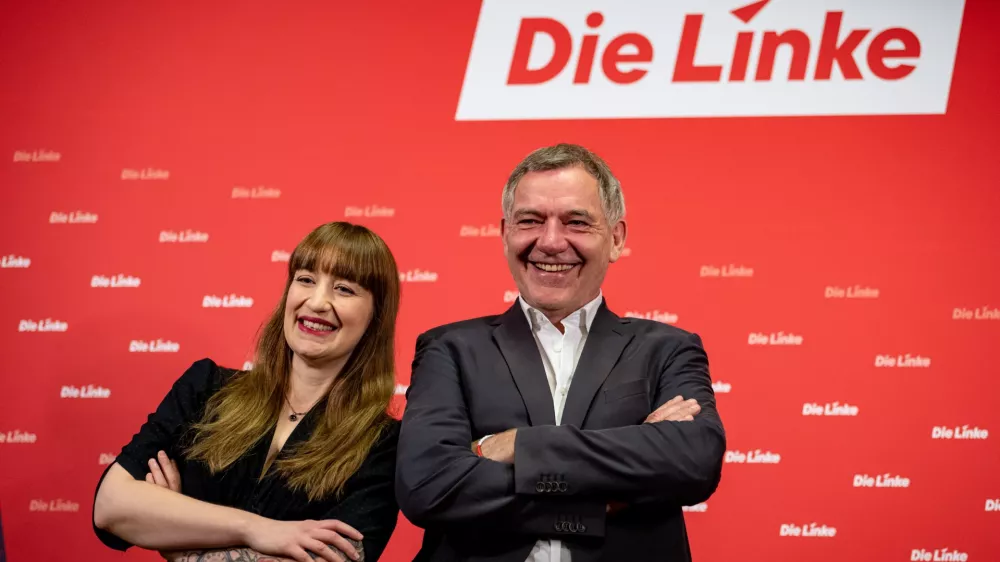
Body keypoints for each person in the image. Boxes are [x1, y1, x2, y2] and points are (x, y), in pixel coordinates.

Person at [395, 144, 726, 562]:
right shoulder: (449, 348)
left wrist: (520, 446)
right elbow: (429, 486)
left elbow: (693, 462)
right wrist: (606, 488)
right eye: (530, 220)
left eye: (576, 222)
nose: (550, 242)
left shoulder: (669, 349)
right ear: (505, 233)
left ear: (616, 239)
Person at [93, 221, 403, 562]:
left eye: (344, 289)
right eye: (306, 279)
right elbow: (110, 507)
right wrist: (253, 528)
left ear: (376, 315)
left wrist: (179, 542)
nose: (316, 302)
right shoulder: (207, 387)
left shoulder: (383, 445)